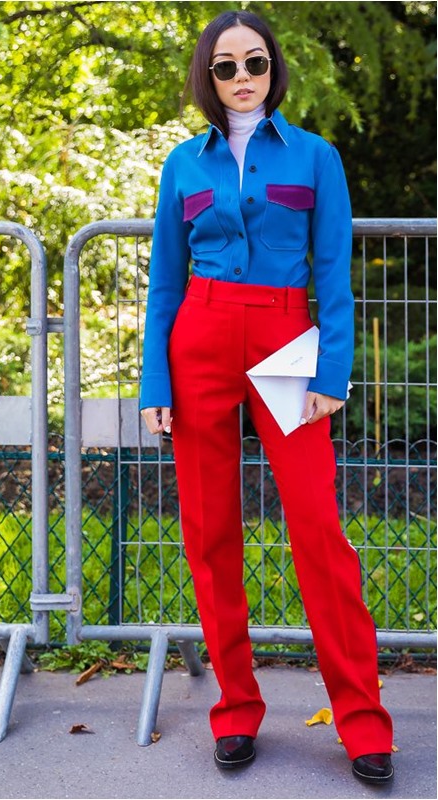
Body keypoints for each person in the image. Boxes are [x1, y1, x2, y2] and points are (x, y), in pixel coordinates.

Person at [140, 9, 394, 784]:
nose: (242, 76)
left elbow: (333, 272)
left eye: (254, 62)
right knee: (209, 533)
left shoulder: (316, 156)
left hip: (287, 344)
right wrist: (156, 381)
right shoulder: (183, 164)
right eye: (226, 66)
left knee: (317, 528)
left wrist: (332, 374)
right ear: (208, 77)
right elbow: (164, 283)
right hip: (200, 340)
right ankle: (235, 711)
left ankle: (362, 722)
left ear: (273, 69)